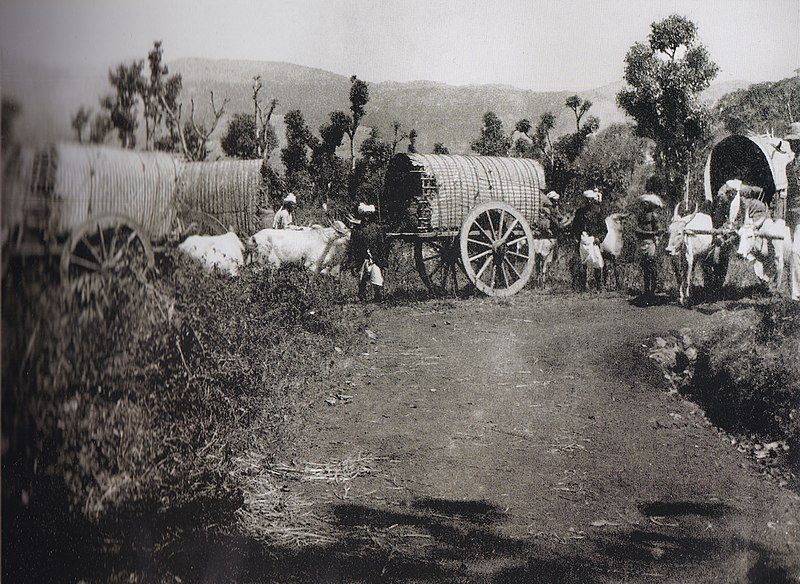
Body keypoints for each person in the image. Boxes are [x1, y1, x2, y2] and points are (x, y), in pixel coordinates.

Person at [348, 203, 387, 302]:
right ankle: (362, 296)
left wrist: (383, 262)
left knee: (377, 278)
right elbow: (352, 248)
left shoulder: (376, 229)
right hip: (361, 258)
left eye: (368, 215)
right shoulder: (356, 231)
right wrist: (352, 264)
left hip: (374, 258)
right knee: (362, 279)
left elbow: (381, 246)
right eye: (364, 215)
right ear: (361, 216)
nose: (366, 218)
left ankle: (378, 297)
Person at [570, 189, 606, 290]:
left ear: (592, 200)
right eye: (586, 200)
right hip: (582, 239)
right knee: (583, 262)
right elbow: (575, 227)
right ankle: (583, 285)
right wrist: (576, 238)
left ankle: (599, 285)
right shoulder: (579, 212)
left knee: (597, 262)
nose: (588, 202)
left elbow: (604, 229)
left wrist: (599, 238)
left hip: (593, 240)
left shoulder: (597, 212)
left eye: (590, 200)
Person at [634, 193, 664, 302]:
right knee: (645, 267)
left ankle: (652, 290)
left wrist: (648, 233)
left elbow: (658, 230)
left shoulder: (653, 216)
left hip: (650, 242)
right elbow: (637, 229)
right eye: (643, 203)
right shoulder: (641, 215)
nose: (644, 205)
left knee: (651, 266)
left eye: (646, 203)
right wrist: (646, 233)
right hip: (642, 242)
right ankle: (647, 290)